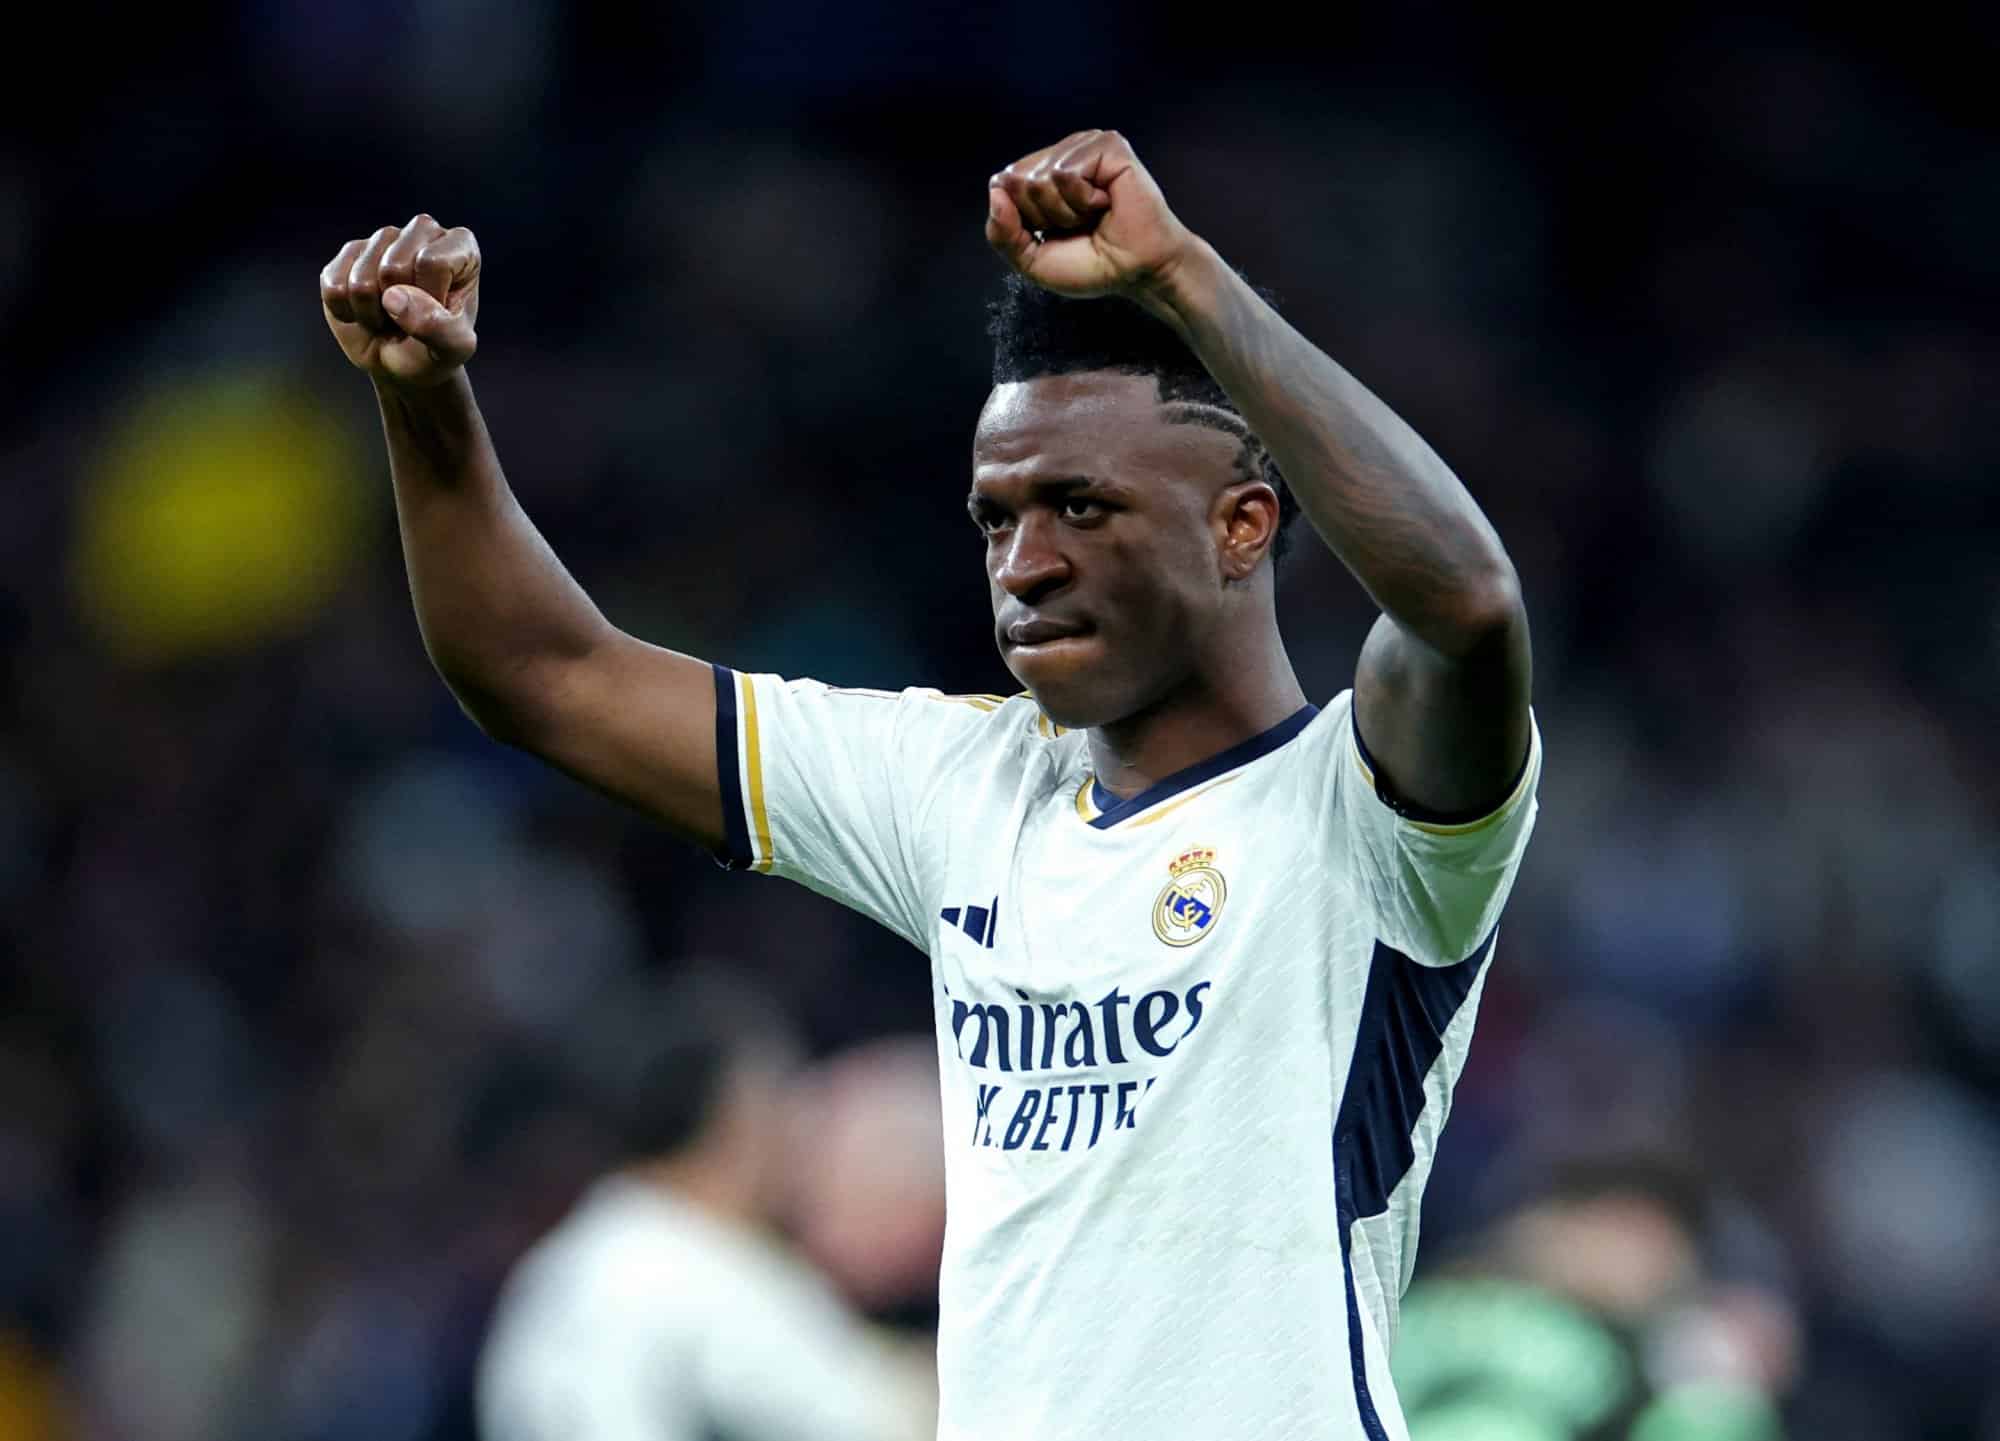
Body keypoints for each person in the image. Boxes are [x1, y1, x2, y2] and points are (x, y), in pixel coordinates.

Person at [320, 128, 1541, 1441]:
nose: (1023, 565)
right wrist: (425, 401)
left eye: (1080, 507)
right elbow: (544, 676)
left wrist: (1183, 278)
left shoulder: (1362, 808)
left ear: (1241, 523)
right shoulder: (964, 786)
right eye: (995, 519)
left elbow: (1464, 605)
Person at [474, 966, 936, 1441]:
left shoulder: (561, 1263)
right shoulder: (709, 1267)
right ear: (739, 1119)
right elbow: (889, 1425)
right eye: (779, 1102)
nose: (798, 1133)